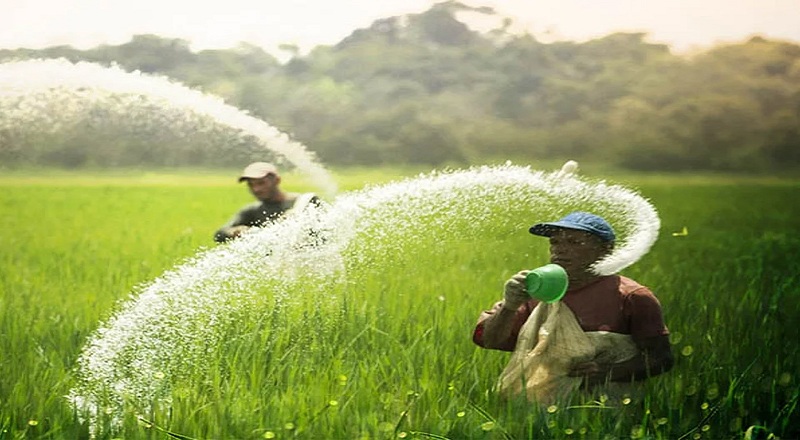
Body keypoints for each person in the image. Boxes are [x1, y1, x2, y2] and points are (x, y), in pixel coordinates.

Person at [473, 211, 673, 391]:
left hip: (608, 410)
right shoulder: (535, 291)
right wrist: (509, 306)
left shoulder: (632, 297)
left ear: (606, 250)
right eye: (555, 242)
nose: (560, 250)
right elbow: (491, 340)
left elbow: (661, 358)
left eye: (574, 242)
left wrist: (606, 371)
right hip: (540, 409)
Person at [214, 162, 320, 243]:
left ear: (277, 181)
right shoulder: (253, 211)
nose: (256, 189)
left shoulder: (305, 202)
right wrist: (236, 231)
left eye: (261, 183)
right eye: (251, 185)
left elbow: (322, 236)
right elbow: (220, 234)